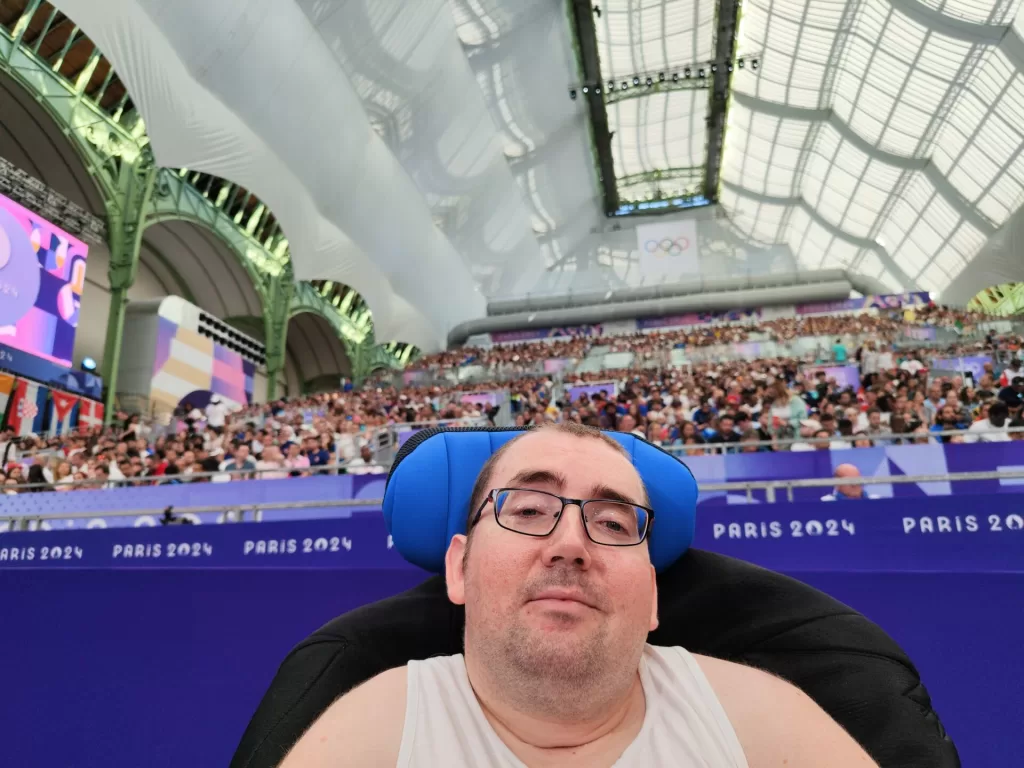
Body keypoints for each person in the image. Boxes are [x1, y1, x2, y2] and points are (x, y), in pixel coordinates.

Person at [281, 424, 878, 767]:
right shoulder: (369, 737)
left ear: (651, 594)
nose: (570, 544)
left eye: (614, 524)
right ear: (459, 568)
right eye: (530, 509)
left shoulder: (761, 724)